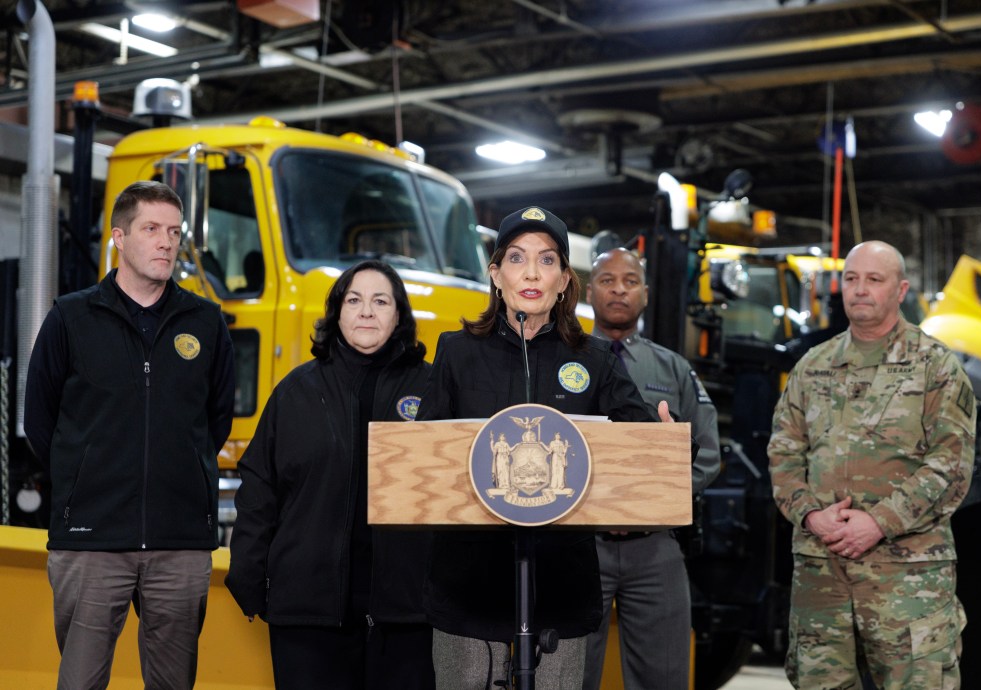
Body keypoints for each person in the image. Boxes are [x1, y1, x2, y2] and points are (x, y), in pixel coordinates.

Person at [417, 206, 672, 689]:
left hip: (560, 579)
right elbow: (424, 454)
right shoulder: (456, 351)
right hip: (469, 580)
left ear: (563, 281)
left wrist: (669, 435)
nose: (531, 272)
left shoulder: (594, 359)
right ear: (495, 275)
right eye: (516, 258)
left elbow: (645, 441)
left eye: (547, 260)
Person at [23, 180, 236, 689]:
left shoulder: (204, 322)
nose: (166, 242)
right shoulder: (71, 317)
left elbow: (216, 418)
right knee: (80, 681)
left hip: (179, 542)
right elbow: (39, 421)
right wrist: (84, 483)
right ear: (120, 237)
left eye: (174, 232)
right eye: (151, 229)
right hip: (91, 540)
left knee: (172, 683)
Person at [767, 240, 975, 689]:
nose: (860, 289)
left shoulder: (934, 366)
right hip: (822, 575)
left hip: (907, 581)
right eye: (851, 278)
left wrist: (880, 522)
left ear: (900, 291)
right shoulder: (813, 366)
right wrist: (810, 514)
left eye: (874, 280)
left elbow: (950, 465)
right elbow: (783, 453)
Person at [225, 259, 435, 690]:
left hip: (407, 615)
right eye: (354, 300)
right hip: (308, 610)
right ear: (337, 311)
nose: (366, 311)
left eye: (381, 301)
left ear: (399, 315)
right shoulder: (295, 391)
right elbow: (259, 489)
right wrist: (248, 576)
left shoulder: (433, 390)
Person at [582, 248, 721, 690]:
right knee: (566, 674)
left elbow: (708, 453)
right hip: (578, 544)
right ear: (589, 291)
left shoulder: (673, 368)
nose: (618, 289)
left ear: (645, 292)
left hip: (654, 547)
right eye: (607, 280)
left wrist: (657, 500)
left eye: (629, 280)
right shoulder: (563, 360)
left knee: (664, 676)